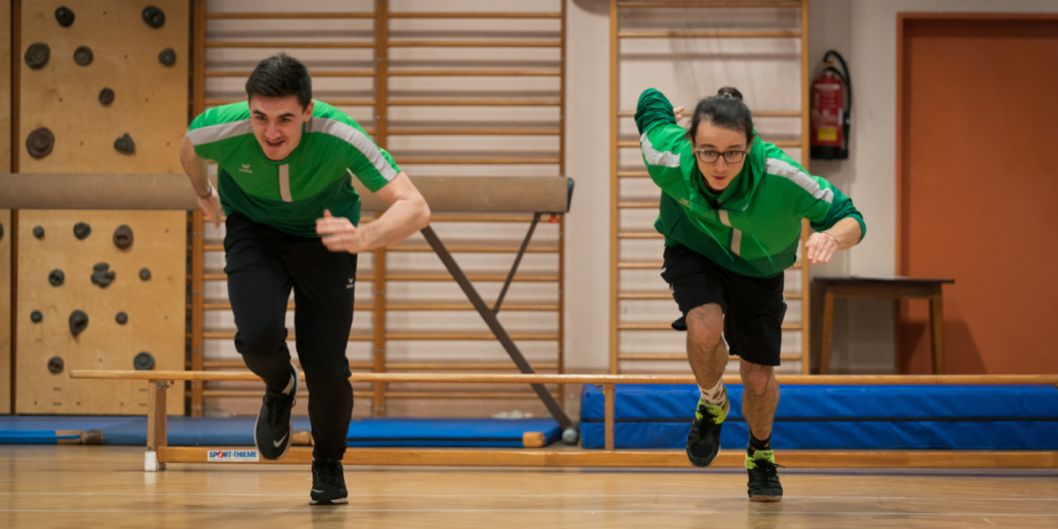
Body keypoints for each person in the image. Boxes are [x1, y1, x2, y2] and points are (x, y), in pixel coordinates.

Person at [180, 53, 430, 505]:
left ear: (308, 112)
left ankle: (328, 461)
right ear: (248, 109)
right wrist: (204, 193)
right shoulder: (220, 127)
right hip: (254, 232)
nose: (271, 133)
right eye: (260, 117)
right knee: (257, 339)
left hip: (327, 236)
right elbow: (189, 148)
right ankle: (280, 386)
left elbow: (416, 206)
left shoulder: (339, 134)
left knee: (327, 366)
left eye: (285, 120)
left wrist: (364, 236)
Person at [635, 86, 865, 502]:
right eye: (708, 152)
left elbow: (851, 217)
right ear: (691, 143)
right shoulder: (668, 157)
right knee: (704, 328)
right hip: (695, 249)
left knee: (757, 377)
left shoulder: (782, 176)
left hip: (760, 269)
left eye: (733, 153)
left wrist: (832, 236)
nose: (720, 165)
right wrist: (664, 110)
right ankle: (712, 402)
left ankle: (760, 454)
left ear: (751, 144)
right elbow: (649, 105)